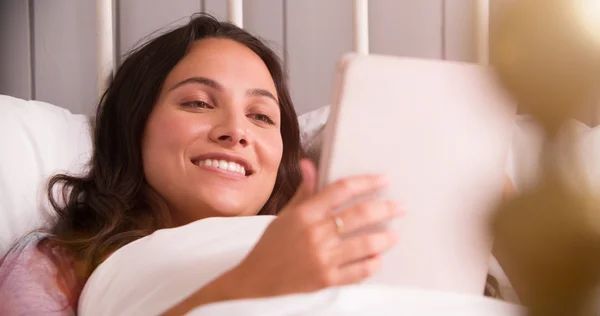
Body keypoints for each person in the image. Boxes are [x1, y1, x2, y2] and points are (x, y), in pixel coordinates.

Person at [0, 13, 510, 315]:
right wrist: (254, 283)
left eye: (262, 116)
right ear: (133, 126)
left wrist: (516, 233)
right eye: (198, 103)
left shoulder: (353, 244)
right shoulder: (64, 259)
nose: (235, 131)